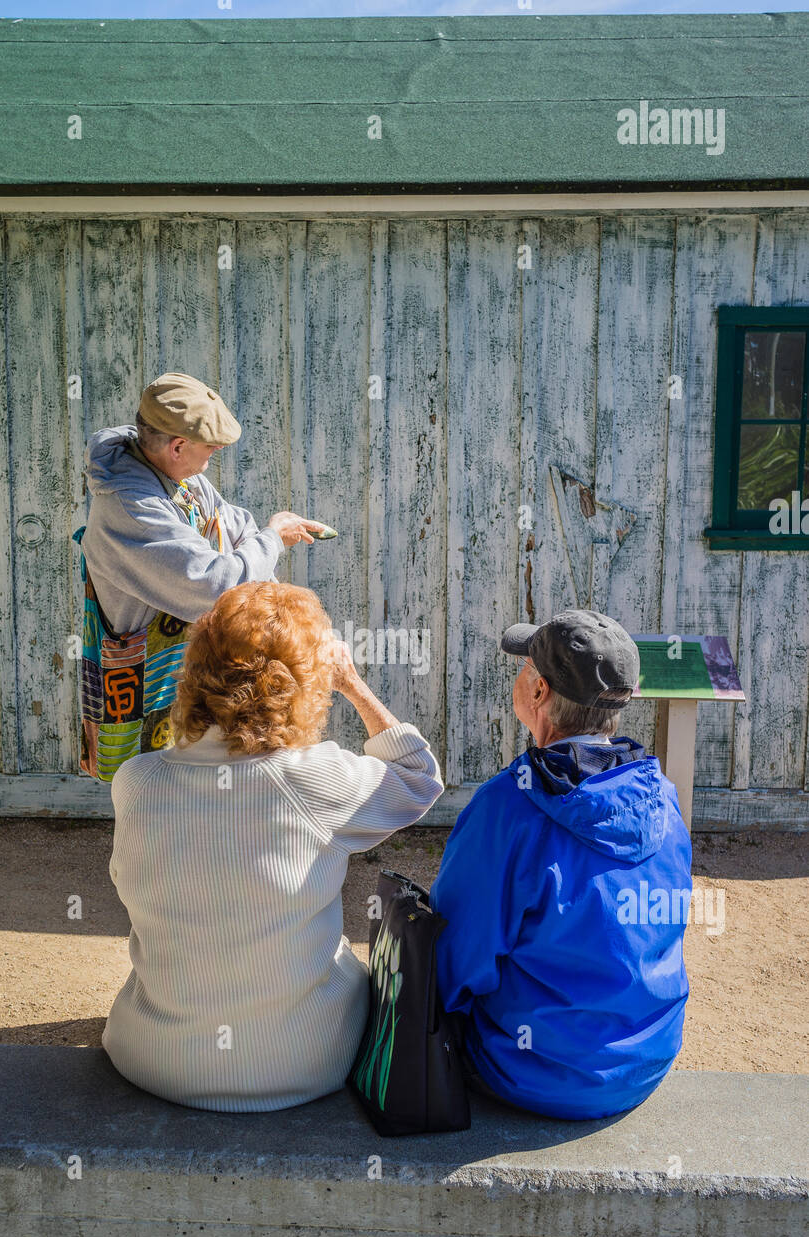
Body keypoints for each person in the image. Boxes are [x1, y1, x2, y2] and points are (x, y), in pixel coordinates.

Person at [102, 580, 444, 1112]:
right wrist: (352, 683)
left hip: (150, 1058)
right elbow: (420, 777)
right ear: (309, 682)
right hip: (303, 1065)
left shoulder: (137, 780)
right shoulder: (318, 778)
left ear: (195, 671)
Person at [430, 609, 692, 1121]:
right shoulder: (663, 797)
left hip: (536, 1073)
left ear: (538, 693)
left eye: (525, 667)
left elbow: (453, 958)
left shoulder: (507, 807)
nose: (518, 677)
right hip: (646, 1061)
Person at [75, 371, 325, 780]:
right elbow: (215, 587)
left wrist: (260, 547)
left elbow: (237, 524)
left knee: (193, 797)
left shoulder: (180, 479)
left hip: (185, 673)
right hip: (147, 684)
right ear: (177, 446)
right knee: (149, 794)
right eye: (210, 449)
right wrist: (274, 540)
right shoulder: (132, 506)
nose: (212, 458)